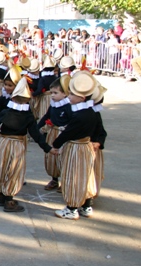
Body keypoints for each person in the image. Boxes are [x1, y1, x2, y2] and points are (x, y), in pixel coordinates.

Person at [0, 78, 53, 212]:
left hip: (4, 143)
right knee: (14, 170)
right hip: (17, 144)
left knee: (3, 168)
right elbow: (35, 134)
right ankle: (9, 200)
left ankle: (2, 196)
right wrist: (47, 148)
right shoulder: (28, 116)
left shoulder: (6, 112)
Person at [51, 71, 101, 220]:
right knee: (85, 175)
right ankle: (86, 205)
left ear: (82, 97)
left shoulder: (79, 115)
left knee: (73, 176)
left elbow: (68, 132)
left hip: (76, 148)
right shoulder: (91, 112)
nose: (69, 97)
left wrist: (56, 144)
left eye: (72, 94)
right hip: (85, 147)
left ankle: (71, 208)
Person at [37, 76, 73, 191]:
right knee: (52, 158)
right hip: (52, 133)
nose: (52, 95)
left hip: (63, 134)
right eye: (51, 92)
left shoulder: (68, 107)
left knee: (63, 158)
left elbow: (72, 121)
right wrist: (37, 127)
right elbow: (46, 116)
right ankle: (54, 179)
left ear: (65, 93)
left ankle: (65, 181)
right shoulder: (53, 104)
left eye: (55, 93)